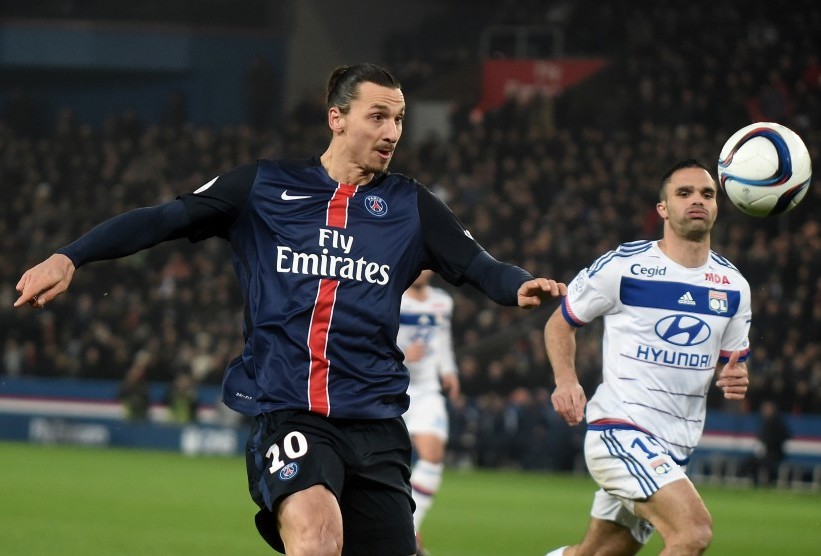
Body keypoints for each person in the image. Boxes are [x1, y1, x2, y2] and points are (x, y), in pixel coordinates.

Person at [14, 63, 567, 556]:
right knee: (317, 537)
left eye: (398, 119)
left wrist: (519, 285)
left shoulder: (411, 207)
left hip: (374, 421)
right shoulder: (263, 187)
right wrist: (71, 256)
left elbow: (479, 265)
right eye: (378, 117)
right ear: (337, 118)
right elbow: (163, 219)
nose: (392, 133)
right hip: (290, 410)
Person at [542, 159, 751, 556]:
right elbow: (560, 322)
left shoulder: (734, 286)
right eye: (684, 193)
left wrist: (737, 375)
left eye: (707, 194)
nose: (697, 201)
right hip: (620, 432)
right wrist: (566, 380)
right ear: (662, 209)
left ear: (717, 206)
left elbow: (733, 364)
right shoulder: (625, 267)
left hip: (676, 448)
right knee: (693, 533)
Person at [398, 269, 460, 555]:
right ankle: (398, 530)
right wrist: (402, 354)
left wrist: (449, 371)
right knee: (388, 466)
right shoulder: (393, 297)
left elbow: (442, 340)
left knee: (433, 454)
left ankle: (408, 527)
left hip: (426, 392)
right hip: (391, 387)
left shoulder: (442, 302)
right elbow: (374, 334)